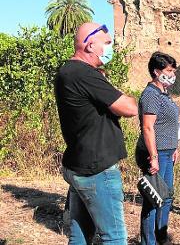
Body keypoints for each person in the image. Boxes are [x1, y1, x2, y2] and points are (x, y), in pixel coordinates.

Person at [55, 22, 138, 244]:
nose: (110, 48)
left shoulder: (68, 71)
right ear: (90, 45)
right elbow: (130, 108)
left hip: (79, 164)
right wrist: (112, 89)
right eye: (107, 43)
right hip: (97, 169)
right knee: (114, 237)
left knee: (80, 235)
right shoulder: (84, 73)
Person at [135, 52, 180, 245]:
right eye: (169, 70)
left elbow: (167, 123)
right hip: (156, 153)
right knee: (153, 200)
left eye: (173, 71)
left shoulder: (164, 93)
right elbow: (147, 127)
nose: (172, 74)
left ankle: (161, 236)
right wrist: (153, 156)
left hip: (167, 152)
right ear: (156, 71)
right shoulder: (151, 95)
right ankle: (149, 241)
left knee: (166, 197)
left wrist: (174, 147)